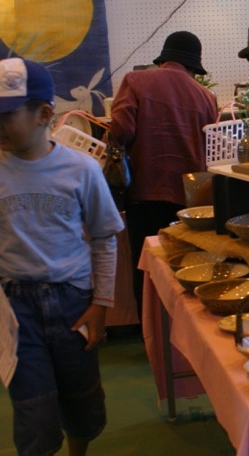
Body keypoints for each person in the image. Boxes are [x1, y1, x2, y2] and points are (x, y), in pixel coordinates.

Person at [0, 58, 124, 456]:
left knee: (81, 400)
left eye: (6, 116)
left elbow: (104, 238)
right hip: (16, 309)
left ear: (43, 114)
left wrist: (101, 306)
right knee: (32, 410)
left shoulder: (82, 169)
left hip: (73, 303)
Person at [111, 31, 218, 317]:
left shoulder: (135, 81)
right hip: (189, 200)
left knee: (147, 268)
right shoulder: (207, 97)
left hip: (144, 191)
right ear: (194, 67)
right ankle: (182, 330)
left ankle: (150, 330)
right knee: (185, 267)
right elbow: (211, 148)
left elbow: (121, 130)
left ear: (163, 59)